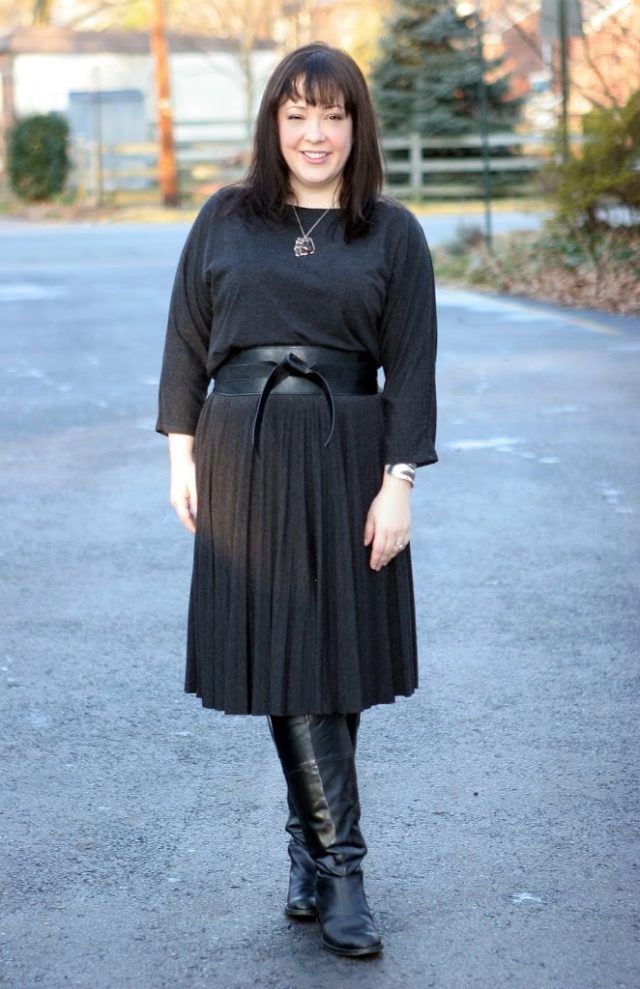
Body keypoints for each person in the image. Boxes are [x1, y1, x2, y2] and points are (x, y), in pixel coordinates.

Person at [156, 42, 437, 958]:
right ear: (272, 123)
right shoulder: (225, 218)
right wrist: (181, 453)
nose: (315, 134)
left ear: (358, 127)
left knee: (335, 660)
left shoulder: (392, 233)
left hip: (349, 449)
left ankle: (307, 853)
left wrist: (399, 482)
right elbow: (186, 338)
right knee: (292, 655)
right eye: (297, 114)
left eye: (334, 115)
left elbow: (416, 368)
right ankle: (343, 866)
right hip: (244, 446)